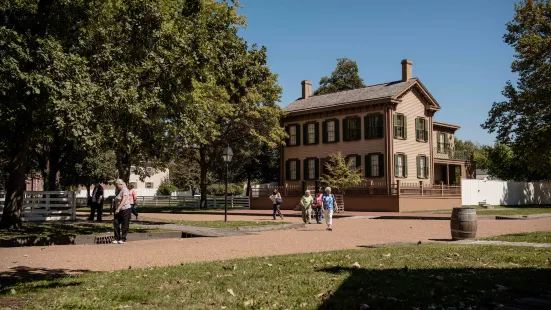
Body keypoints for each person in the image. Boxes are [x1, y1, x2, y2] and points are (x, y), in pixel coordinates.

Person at [113, 179, 131, 244]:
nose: (116, 186)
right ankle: (117, 238)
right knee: (116, 223)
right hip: (118, 209)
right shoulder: (118, 190)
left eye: (117, 185)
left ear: (120, 184)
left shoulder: (125, 189)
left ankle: (123, 238)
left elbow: (124, 199)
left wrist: (118, 208)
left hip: (125, 209)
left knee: (124, 224)